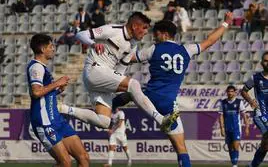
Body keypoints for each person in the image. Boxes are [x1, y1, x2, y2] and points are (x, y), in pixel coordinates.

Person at [112, 12, 233, 167]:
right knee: (181, 148)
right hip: (168, 104)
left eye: (156, 35)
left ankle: (108, 108)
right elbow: (209, 41)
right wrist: (225, 23)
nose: (154, 38)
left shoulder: (153, 49)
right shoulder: (186, 50)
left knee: (130, 91)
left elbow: (129, 58)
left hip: (149, 96)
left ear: (164, 34)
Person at [59, 12, 176, 134]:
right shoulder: (112, 30)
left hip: (102, 77)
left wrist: (122, 90)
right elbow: (80, 34)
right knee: (134, 84)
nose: (146, 32)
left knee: (103, 121)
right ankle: (161, 119)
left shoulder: (133, 46)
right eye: (144, 28)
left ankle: (64, 108)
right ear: (135, 26)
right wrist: (93, 44)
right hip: (94, 69)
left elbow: (120, 71)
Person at [27, 34, 89, 167]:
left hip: (56, 119)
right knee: (65, 163)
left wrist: (58, 90)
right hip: (44, 122)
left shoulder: (42, 68)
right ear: (43, 49)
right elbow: (36, 92)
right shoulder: (36, 67)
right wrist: (56, 83)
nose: (54, 49)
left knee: (83, 157)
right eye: (51, 46)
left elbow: (44, 94)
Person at [242, 51, 268, 167]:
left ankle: (253, 165)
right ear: (262, 63)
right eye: (266, 61)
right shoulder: (256, 78)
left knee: (265, 145)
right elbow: (243, 91)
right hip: (261, 114)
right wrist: (251, 101)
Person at [219, 85, 250, 167]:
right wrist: (221, 128)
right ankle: (233, 163)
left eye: (232, 91)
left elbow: (244, 115)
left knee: (236, 146)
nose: (230, 93)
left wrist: (247, 127)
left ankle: (235, 165)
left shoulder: (239, 102)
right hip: (227, 128)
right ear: (227, 92)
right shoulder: (223, 103)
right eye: (229, 91)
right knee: (230, 147)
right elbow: (221, 116)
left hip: (236, 128)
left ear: (235, 92)